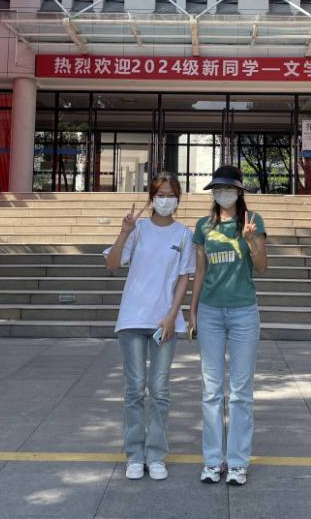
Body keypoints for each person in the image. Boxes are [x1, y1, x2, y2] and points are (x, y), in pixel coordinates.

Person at [104, 172, 195, 481]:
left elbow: (184, 278)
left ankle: (156, 455)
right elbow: (112, 264)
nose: (165, 199)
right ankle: (134, 454)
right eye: (160, 194)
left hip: (164, 322)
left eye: (171, 195)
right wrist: (123, 233)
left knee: (159, 390)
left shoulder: (184, 234)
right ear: (152, 197)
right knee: (134, 389)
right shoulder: (138, 229)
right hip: (132, 319)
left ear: (178, 198)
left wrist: (172, 316)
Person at [188, 165, 268, 486]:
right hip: (209, 312)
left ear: (239, 191)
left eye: (229, 188)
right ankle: (212, 460)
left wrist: (251, 241)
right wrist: (192, 311)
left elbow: (262, 267)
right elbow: (200, 271)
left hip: (243, 312)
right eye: (218, 189)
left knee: (240, 392)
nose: (223, 193)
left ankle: (237, 462)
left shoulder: (252, 221)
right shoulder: (203, 226)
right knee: (210, 390)